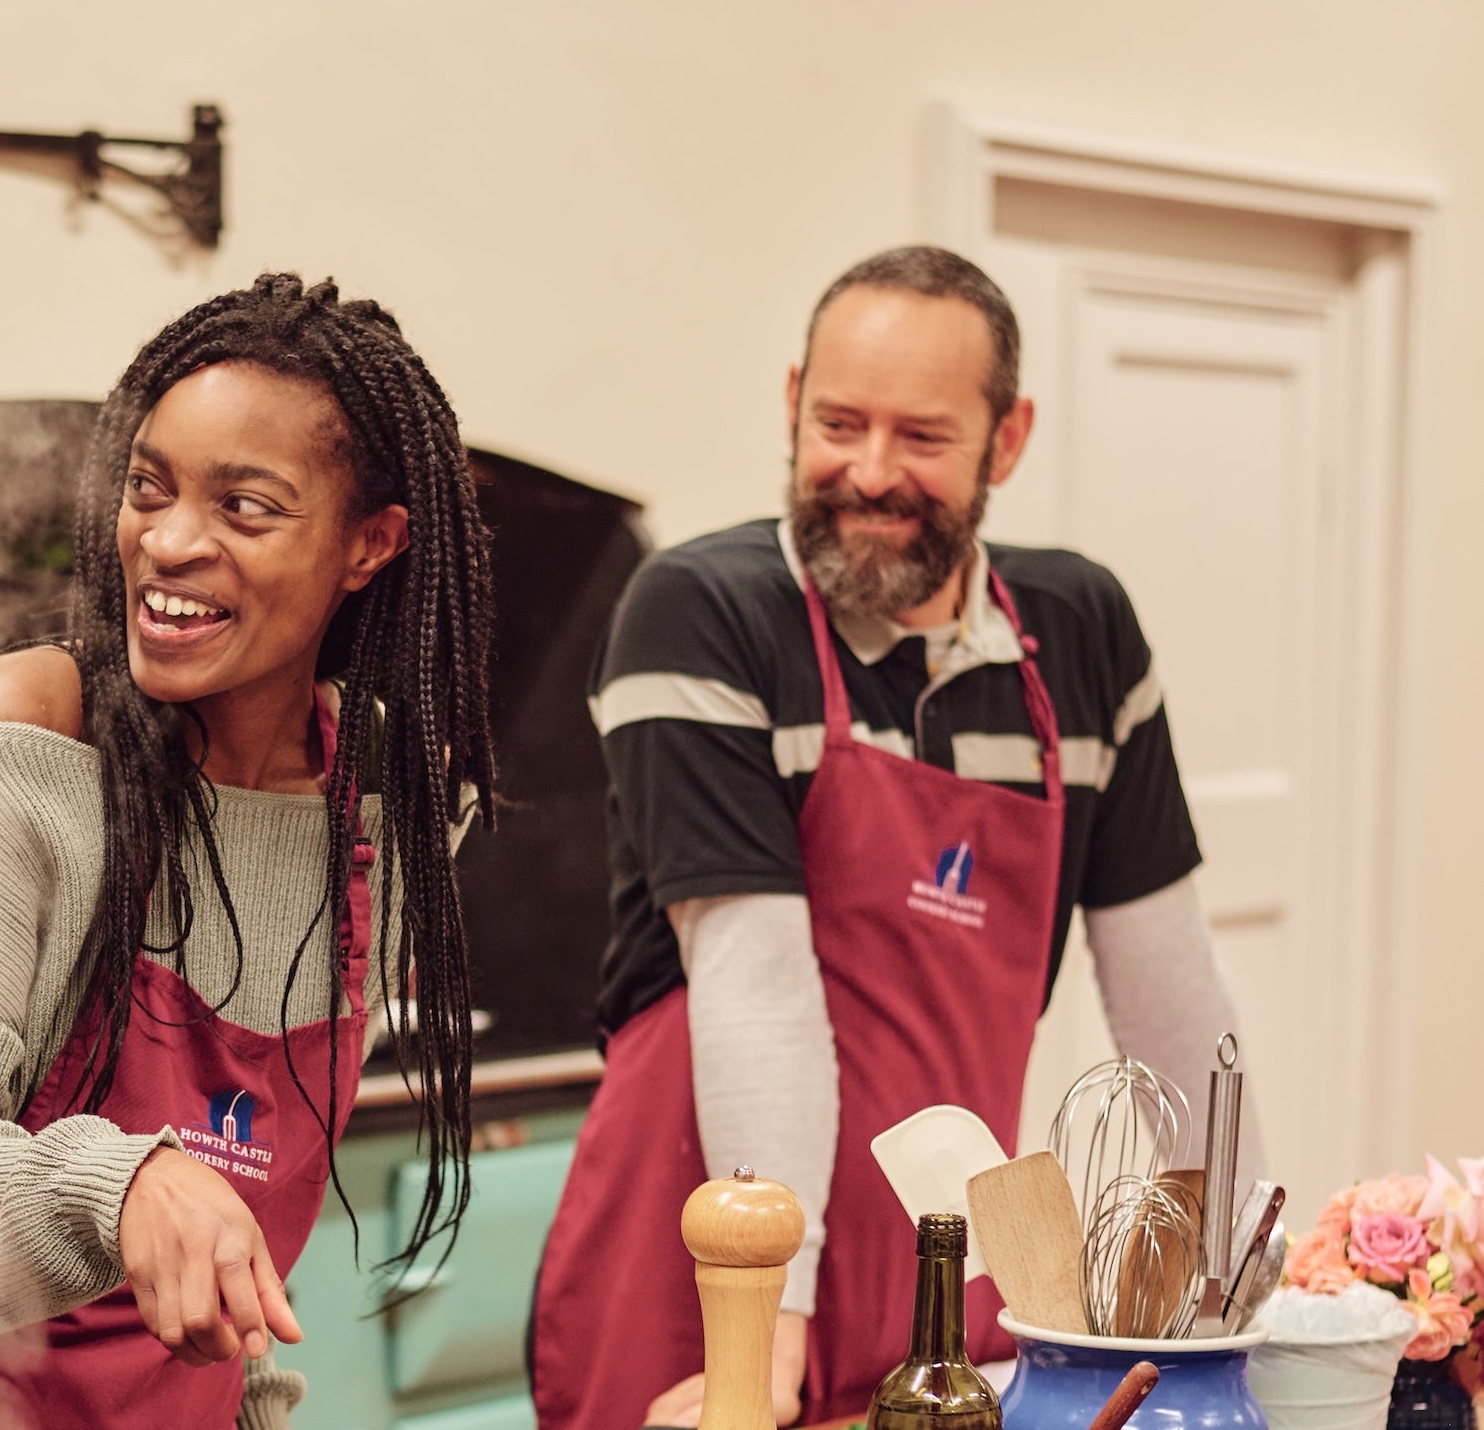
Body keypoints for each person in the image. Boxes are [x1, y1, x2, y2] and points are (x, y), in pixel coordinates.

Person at [529, 247, 1260, 1430]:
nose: (869, 472)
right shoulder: (704, 610)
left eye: (920, 437)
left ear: (1006, 441)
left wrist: (1228, 1283)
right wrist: (763, 1345)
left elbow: (1172, 993)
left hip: (938, 1270)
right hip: (714, 1265)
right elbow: (756, 987)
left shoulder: (1082, 637)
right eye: (838, 423)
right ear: (790, 403)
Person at [0, 274, 497, 1430]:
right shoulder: (24, 742)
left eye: (246, 507)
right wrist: (123, 1187)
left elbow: (242, 1222)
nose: (169, 542)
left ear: (370, 546)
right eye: (149, 488)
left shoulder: (384, 809)